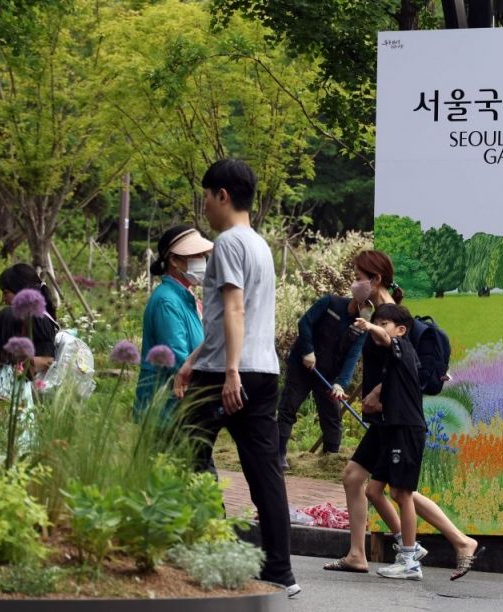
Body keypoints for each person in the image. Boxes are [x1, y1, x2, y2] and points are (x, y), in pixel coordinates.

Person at [173, 159, 299, 597]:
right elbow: (232, 319)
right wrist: (193, 359)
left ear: (223, 195)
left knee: (182, 453)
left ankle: (197, 548)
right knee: (265, 474)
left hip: (226, 374)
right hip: (262, 371)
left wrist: (227, 371)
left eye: (206, 196)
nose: (204, 205)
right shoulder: (259, 245)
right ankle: (281, 572)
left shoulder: (227, 243)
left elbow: (234, 309)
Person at [323, 250, 482, 580]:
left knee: (399, 490)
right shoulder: (376, 315)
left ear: (376, 279)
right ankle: (367, 552)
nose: (354, 283)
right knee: (360, 480)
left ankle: (440, 544)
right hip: (386, 420)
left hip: (395, 419)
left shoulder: (393, 323)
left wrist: (378, 393)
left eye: (359, 277)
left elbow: (405, 366)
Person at [353, 304, 426, 580]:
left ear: (401, 330)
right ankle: (409, 546)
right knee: (373, 490)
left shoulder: (402, 347)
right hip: (391, 429)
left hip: (407, 430)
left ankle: (409, 560)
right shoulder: (390, 358)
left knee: (401, 494)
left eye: (385, 323)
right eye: (377, 322)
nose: (379, 328)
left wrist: (370, 326)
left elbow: (385, 337)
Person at [276, 290, 366, 467]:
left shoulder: (362, 326)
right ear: (358, 299)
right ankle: (278, 455)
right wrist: (308, 350)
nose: (368, 310)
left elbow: (353, 355)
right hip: (302, 366)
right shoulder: (330, 302)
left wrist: (341, 383)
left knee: (332, 416)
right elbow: (305, 323)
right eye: (366, 305)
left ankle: (330, 459)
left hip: (328, 375)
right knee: (288, 407)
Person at [134, 224, 213, 419]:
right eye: (196, 255)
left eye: (204, 255)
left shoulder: (185, 298)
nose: (202, 261)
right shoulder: (167, 301)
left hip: (180, 406)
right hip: (165, 409)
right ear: (174, 260)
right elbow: (178, 360)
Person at [0, 263, 59, 374]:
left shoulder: (37, 317)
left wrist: (17, 368)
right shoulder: (22, 317)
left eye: (6, 292)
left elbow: (47, 361)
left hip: (30, 384)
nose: (3, 298)